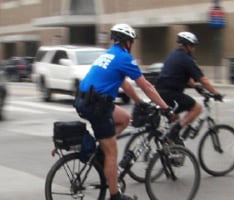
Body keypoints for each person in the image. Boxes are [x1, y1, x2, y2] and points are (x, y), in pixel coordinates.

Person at [74, 23, 171, 200]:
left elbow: (124, 84)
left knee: (125, 118)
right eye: (132, 41)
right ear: (127, 42)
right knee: (112, 152)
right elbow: (147, 86)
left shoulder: (109, 54)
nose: (132, 44)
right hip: (97, 106)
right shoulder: (124, 58)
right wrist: (165, 108)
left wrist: (140, 102)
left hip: (85, 100)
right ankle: (115, 195)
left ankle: (100, 150)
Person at [155, 31, 223, 145]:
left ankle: (169, 145)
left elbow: (188, 79)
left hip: (160, 92)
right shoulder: (186, 59)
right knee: (197, 108)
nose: (193, 49)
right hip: (171, 93)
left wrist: (197, 87)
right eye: (193, 46)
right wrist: (216, 93)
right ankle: (175, 132)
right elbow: (203, 80)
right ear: (188, 45)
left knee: (174, 116)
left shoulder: (173, 55)